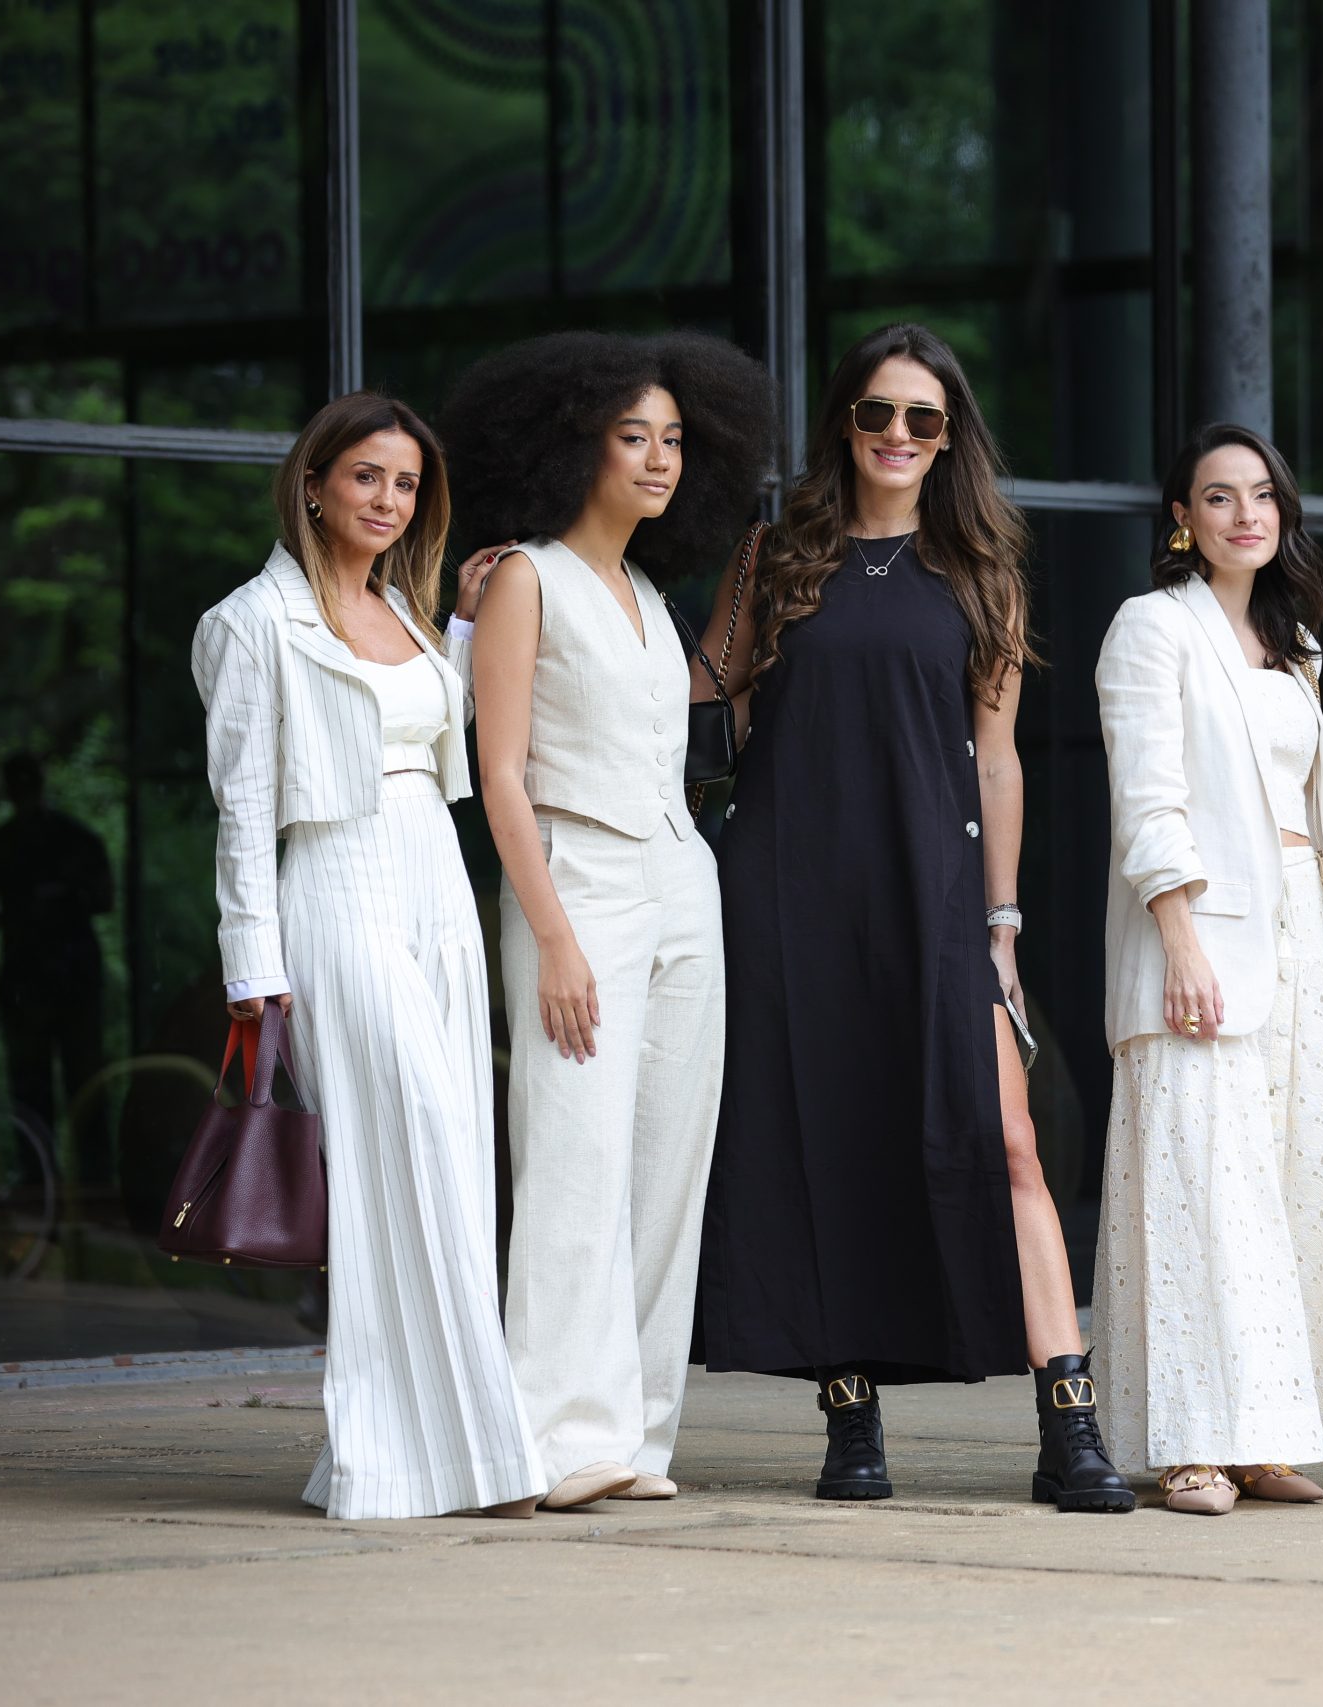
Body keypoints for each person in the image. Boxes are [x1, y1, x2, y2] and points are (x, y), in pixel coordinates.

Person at [691, 322, 1132, 1513]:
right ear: (845, 422)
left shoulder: (979, 572)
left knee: (1008, 1143)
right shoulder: (776, 554)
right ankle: (850, 1419)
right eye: (877, 412)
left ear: (948, 438)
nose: (896, 434)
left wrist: (1002, 926)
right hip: (787, 894)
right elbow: (702, 693)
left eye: (921, 418)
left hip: (933, 895)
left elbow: (998, 760)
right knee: (823, 1142)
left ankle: (1069, 1424)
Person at [441, 330, 774, 1511]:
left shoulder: (648, 595)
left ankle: (634, 1434)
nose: (660, 458)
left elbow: (702, 697)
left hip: (682, 882)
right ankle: (550, 1438)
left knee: (666, 1170)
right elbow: (499, 774)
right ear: (576, 445)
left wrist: (754, 588)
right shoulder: (525, 579)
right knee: (574, 1160)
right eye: (634, 436)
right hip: (574, 879)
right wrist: (554, 939)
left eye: (675, 439)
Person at [191, 391, 525, 1519]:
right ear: (315, 483)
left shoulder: (407, 613)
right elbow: (242, 809)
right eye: (367, 476)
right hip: (336, 886)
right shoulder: (249, 622)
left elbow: (434, 733)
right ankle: (445, 1455)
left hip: (435, 881)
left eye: (407, 483)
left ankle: (434, 1457)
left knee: (456, 1159)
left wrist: (462, 628)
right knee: (404, 1157)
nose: (388, 500)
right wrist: (253, 968)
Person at [1088, 424, 1323, 1516]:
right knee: (1196, 1189)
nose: (1245, 514)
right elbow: (1147, 797)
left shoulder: (1293, 640)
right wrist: (1179, 939)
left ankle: (1260, 1435)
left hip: (1302, 931)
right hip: (1201, 934)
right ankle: (1189, 1442)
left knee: (1286, 1192)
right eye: (1218, 497)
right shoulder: (1151, 627)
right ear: (1183, 518)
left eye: (1261, 495)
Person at [0, 752, 111, 1153]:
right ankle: (45, 1173)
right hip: (33, 983)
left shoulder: (67, 840)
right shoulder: (7, 843)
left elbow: (102, 898)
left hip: (64, 979)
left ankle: (85, 1173)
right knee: (37, 1083)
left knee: (80, 1079)